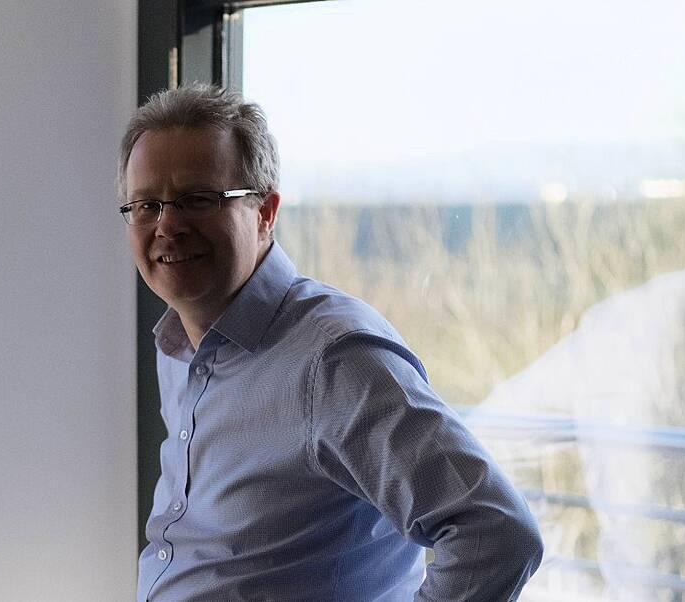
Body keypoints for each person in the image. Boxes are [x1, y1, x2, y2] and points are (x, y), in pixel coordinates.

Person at [119, 83, 544, 601]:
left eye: (197, 200)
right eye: (146, 205)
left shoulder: (335, 359)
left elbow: (496, 532)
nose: (168, 225)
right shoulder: (179, 346)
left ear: (265, 213)